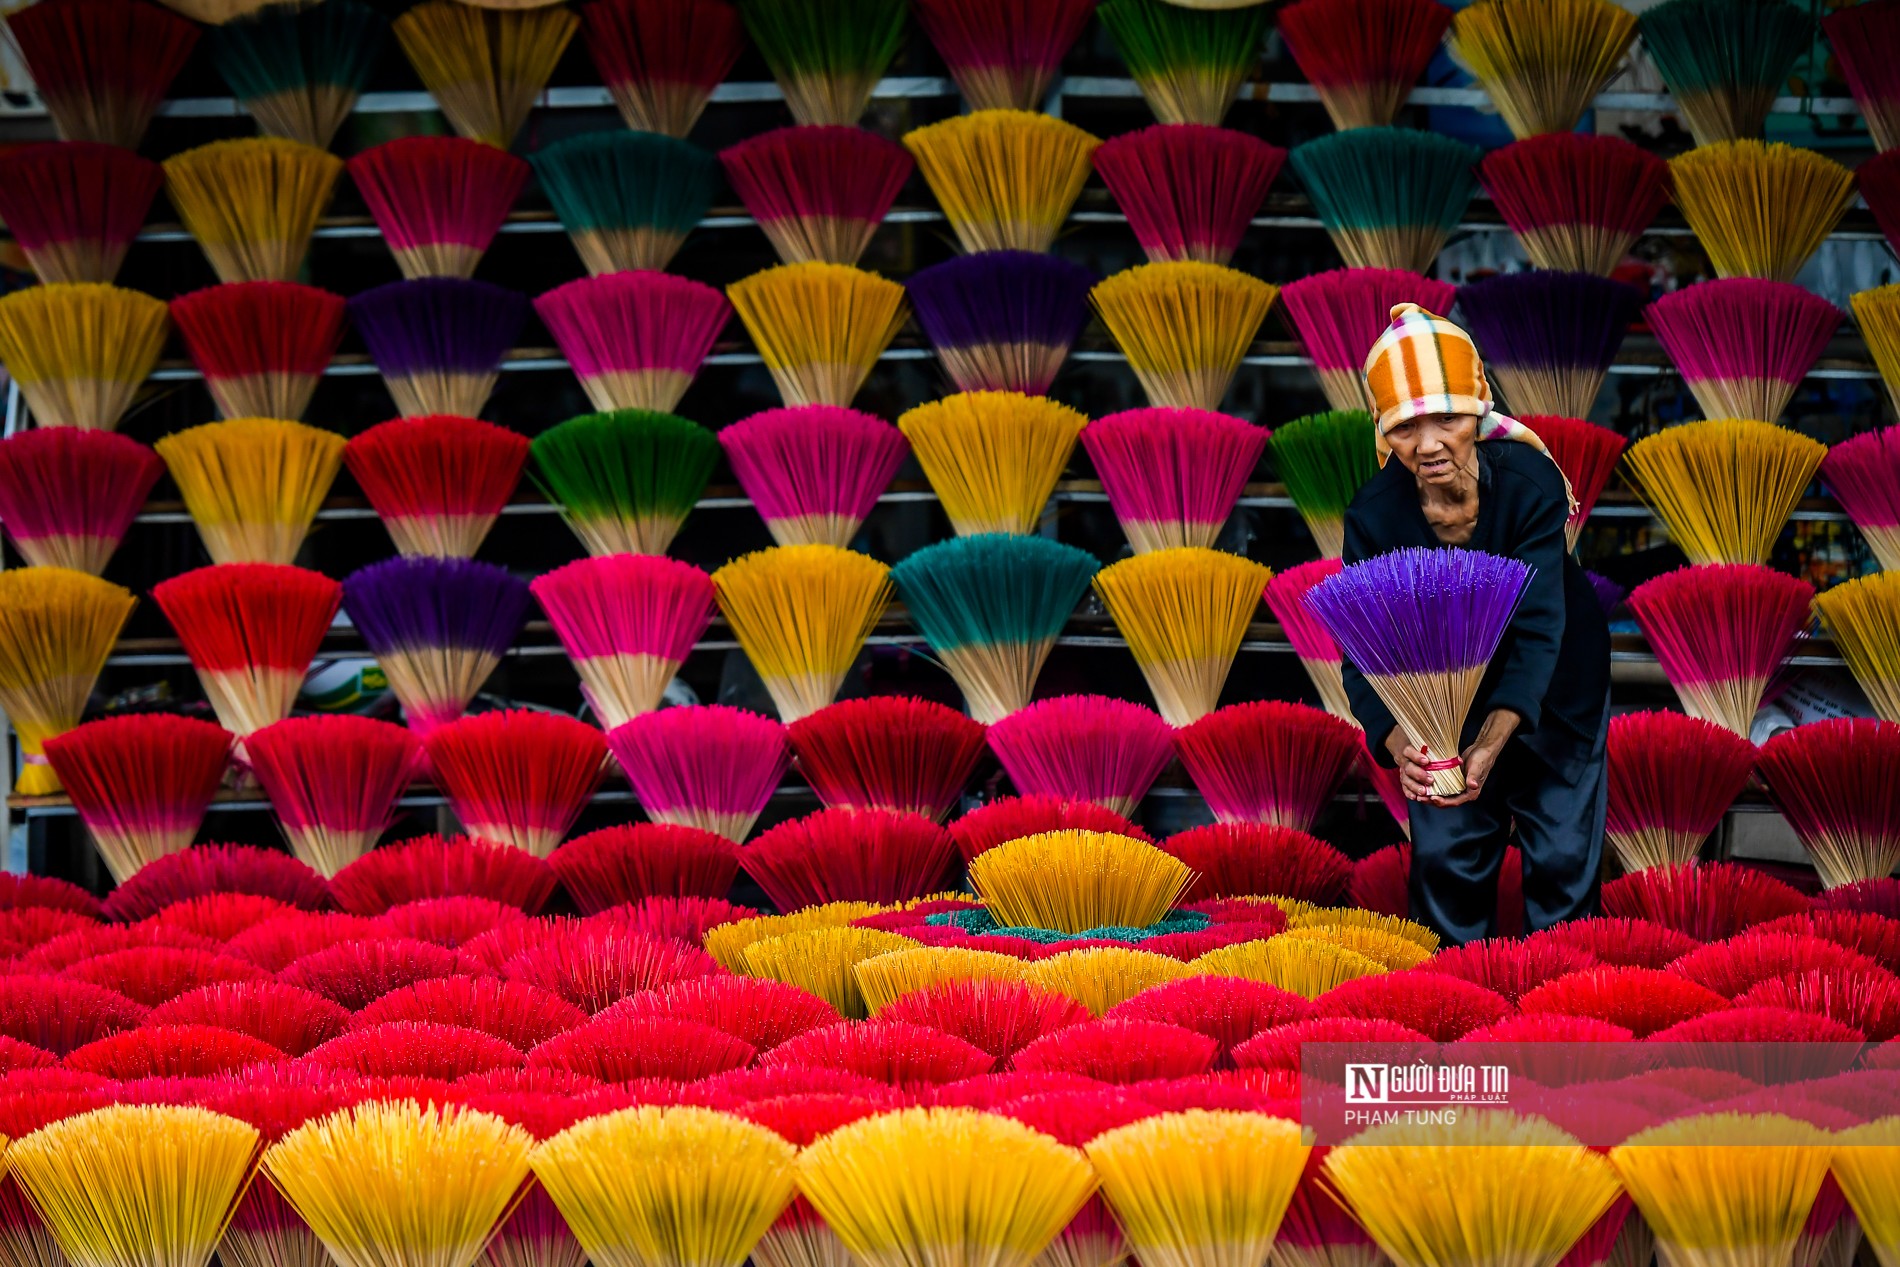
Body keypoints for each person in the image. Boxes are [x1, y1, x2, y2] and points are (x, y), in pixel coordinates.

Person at [1339, 303, 1612, 945]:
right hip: (1441, 715)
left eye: (1448, 418)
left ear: (1480, 410)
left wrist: (1494, 743)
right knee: (1447, 870)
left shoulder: (1528, 485)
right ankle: (1455, 1016)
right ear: (1382, 430)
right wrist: (1399, 746)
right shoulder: (1373, 520)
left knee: (1564, 862)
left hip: (1557, 689)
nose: (1429, 443)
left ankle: (1561, 1019)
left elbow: (1543, 628)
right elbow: (1362, 658)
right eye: (1406, 425)